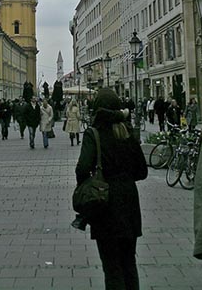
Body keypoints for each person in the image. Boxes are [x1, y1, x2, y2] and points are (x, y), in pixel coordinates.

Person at [75, 88, 148, 290]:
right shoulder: (127, 132)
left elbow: (82, 168)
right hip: (129, 201)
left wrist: (87, 184)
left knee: (111, 266)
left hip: (104, 202)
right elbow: (142, 171)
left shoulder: (94, 134)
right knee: (129, 263)